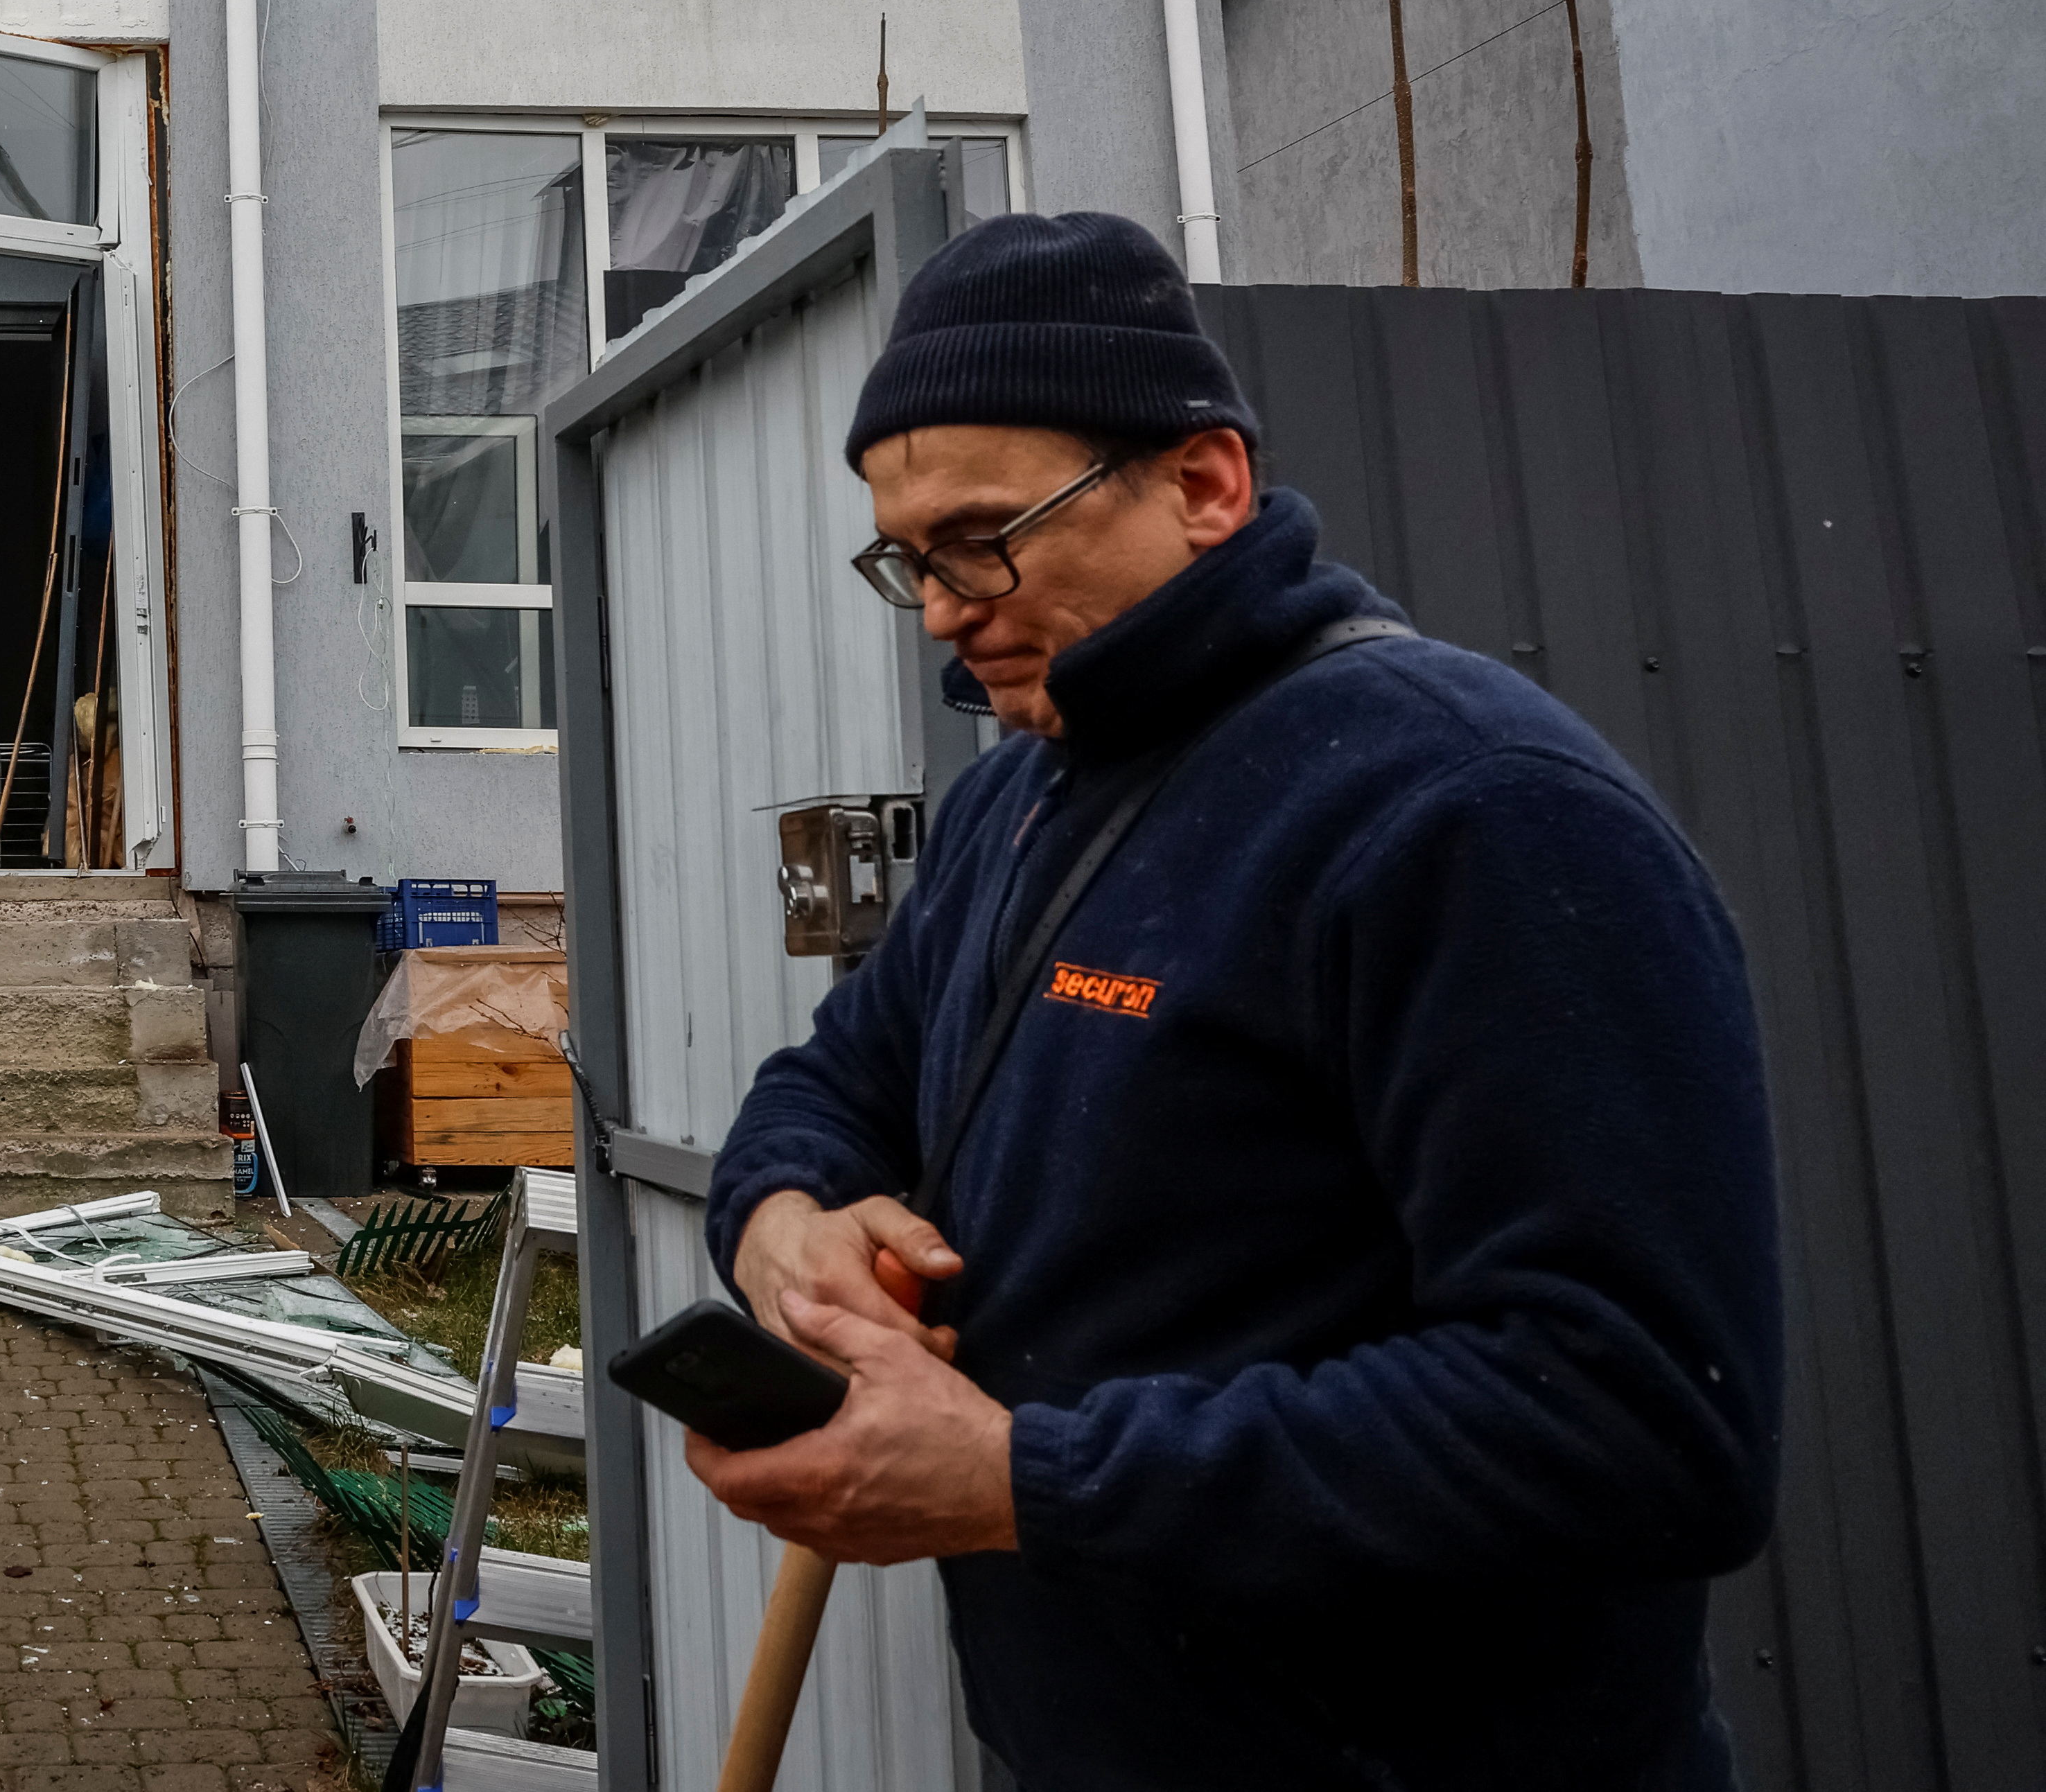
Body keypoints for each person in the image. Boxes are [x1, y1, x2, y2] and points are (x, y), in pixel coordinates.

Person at [696, 211, 1781, 1790]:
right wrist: (780, 1227)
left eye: (984, 536)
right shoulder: (1018, 804)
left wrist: (1019, 1477)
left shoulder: (1469, 809)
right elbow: (832, 1083)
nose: (942, 607)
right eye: (909, 559)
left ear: (1203, 483)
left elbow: (1636, 1419)